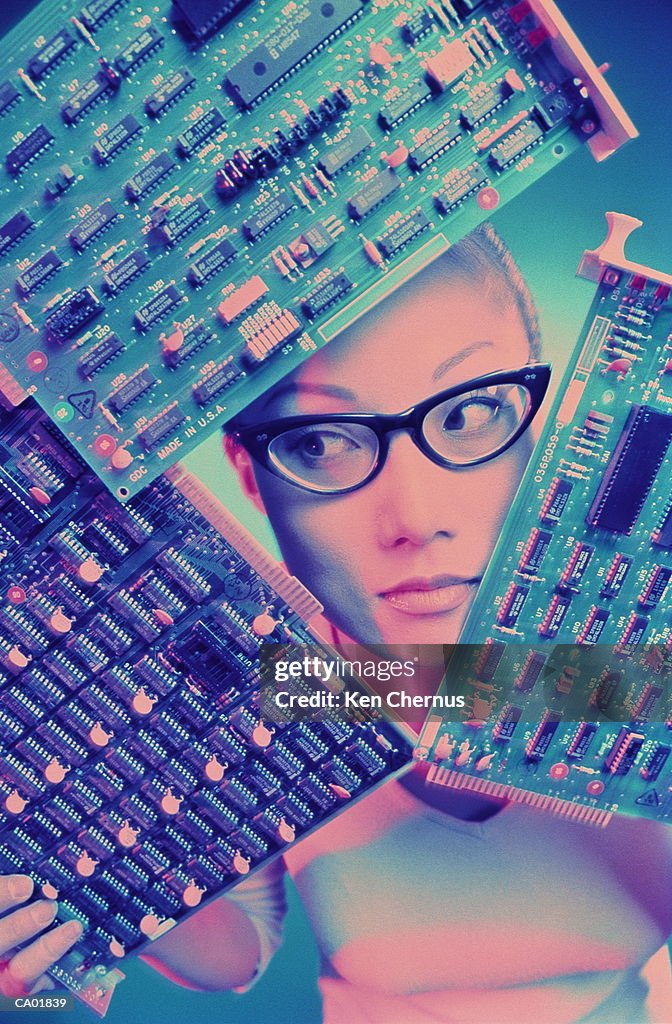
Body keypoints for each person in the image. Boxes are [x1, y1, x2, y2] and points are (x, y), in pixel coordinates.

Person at [1, 226, 670, 1023]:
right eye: (319, 441)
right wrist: (76, 902)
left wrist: (604, 692)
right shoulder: (263, 680)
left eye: (469, 414)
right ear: (249, 475)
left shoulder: (636, 671)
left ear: (550, 425)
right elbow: (239, 947)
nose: (415, 520)